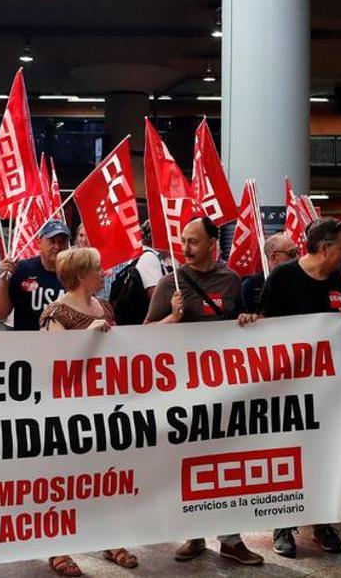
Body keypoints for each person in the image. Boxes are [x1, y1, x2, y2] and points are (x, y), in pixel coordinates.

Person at [144, 218, 263, 567]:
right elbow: (146, 332)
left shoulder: (231, 280)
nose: (186, 248)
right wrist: (173, 319)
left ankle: (230, 539)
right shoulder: (171, 282)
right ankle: (194, 533)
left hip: (225, 389)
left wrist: (246, 321)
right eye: (183, 241)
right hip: (183, 391)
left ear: (213, 242)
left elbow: (240, 322)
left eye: (194, 241)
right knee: (189, 463)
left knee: (225, 463)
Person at [241, 217, 341, 557]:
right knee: (287, 454)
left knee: (324, 454)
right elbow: (266, 324)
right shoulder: (284, 276)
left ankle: (321, 521)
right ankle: (283, 525)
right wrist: (251, 323)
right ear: (324, 248)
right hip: (288, 388)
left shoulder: (339, 278)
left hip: (326, 392)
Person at [39, 247, 139, 576]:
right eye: (98, 268)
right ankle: (58, 549)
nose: (105, 273)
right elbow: (56, 361)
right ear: (81, 275)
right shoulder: (56, 312)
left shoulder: (105, 306)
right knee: (65, 482)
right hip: (68, 412)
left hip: (105, 407)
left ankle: (109, 538)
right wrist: (88, 336)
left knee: (105, 477)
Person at [0, 220, 70, 331]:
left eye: (61, 242)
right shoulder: (22, 269)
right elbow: (0, 314)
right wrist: (4, 279)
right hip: (27, 344)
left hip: (65, 344)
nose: (57, 246)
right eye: (52, 241)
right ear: (39, 242)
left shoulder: (74, 272)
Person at [240, 232, 298, 313]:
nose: (297, 257)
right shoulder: (251, 285)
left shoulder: (300, 280)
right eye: (291, 253)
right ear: (274, 257)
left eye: (297, 251)